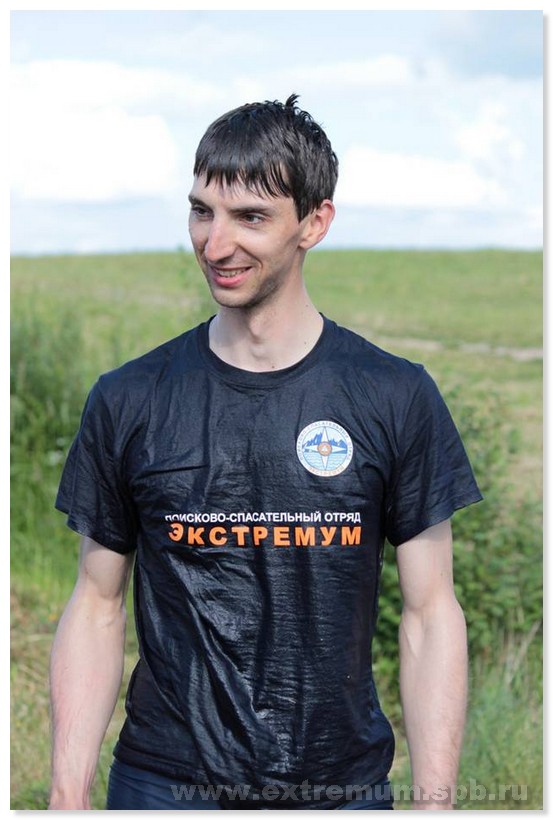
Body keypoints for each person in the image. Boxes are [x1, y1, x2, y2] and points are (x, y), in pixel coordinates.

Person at [49, 94, 482, 811]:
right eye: (202, 212)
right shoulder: (130, 398)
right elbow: (96, 605)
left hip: (337, 786)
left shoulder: (393, 395)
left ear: (315, 222)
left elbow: (431, 614)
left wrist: (435, 804)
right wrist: (66, 799)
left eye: (250, 217)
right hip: (164, 785)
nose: (215, 244)